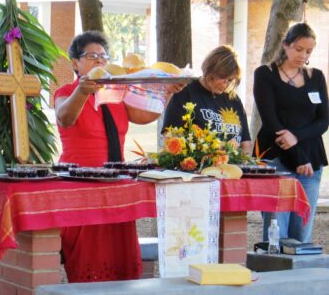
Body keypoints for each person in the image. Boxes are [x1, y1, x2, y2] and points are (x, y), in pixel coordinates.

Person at [54, 30, 184, 282]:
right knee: (86, 254)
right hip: (82, 185)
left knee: (121, 254)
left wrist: (168, 92)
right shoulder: (66, 91)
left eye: (104, 57)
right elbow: (65, 118)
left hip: (116, 182)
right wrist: (82, 92)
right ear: (75, 63)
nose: (100, 62)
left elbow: (144, 116)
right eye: (92, 56)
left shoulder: (117, 91)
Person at [254, 22, 328, 243]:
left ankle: (300, 276)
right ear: (285, 45)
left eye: (308, 51)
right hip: (276, 160)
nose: (303, 55)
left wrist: (297, 138)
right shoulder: (265, 74)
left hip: (310, 164)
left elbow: (324, 120)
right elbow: (270, 120)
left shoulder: (316, 77)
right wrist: (296, 157)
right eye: (298, 49)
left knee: (301, 233)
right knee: (276, 232)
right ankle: (275, 275)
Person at [162, 45, 251, 153]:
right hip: (197, 166)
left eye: (230, 79)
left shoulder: (234, 100)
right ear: (210, 71)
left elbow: (246, 143)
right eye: (223, 77)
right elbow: (169, 136)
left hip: (233, 167)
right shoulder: (186, 92)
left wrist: (245, 165)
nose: (226, 84)